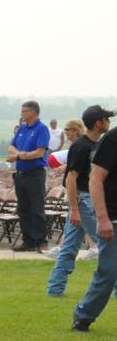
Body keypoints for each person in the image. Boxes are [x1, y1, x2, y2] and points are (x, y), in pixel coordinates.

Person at [48, 106, 116, 298]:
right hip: (83, 201)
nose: (109, 123)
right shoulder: (82, 146)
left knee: (69, 247)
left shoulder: (98, 144)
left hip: (85, 202)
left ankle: (55, 289)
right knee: (108, 244)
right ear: (98, 123)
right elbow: (71, 179)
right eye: (107, 119)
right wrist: (74, 210)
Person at [73, 122, 117, 331]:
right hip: (113, 218)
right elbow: (95, 179)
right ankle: (84, 314)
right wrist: (103, 218)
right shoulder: (112, 139)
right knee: (108, 272)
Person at [6, 100, 50, 251]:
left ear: (33, 112)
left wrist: (19, 157)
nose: (22, 114)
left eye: (24, 111)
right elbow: (11, 146)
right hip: (20, 174)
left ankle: (40, 241)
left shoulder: (41, 128)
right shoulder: (23, 128)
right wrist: (20, 155)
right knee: (23, 208)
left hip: (35, 174)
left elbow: (40, 152)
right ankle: (28, 241)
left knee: (36, 208)